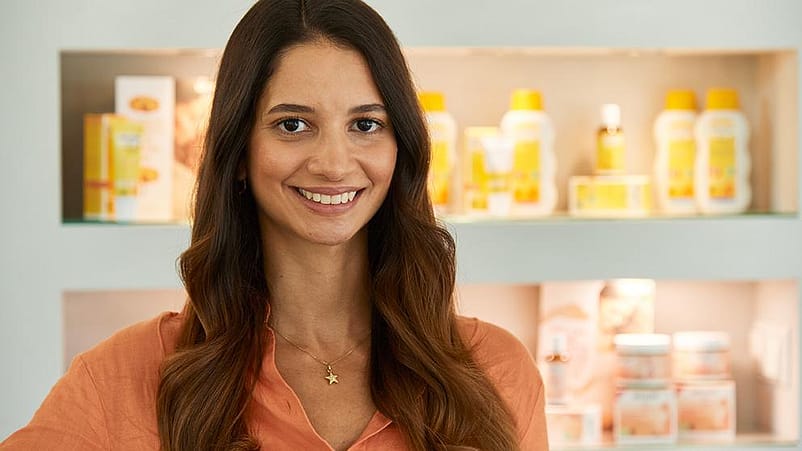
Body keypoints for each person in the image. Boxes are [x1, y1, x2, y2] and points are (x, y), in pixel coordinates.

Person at [1, 0, 547, 449]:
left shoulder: (495, 371)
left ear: (400, 146)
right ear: (239, 151)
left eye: (365, 124)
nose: (334, 163)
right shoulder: (125, 377)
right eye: (293, 124)